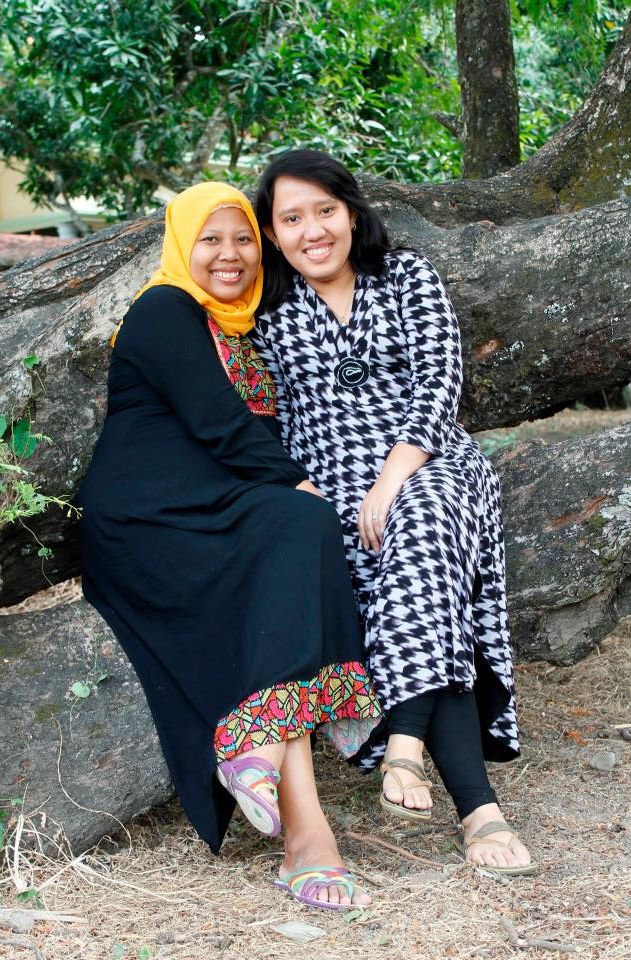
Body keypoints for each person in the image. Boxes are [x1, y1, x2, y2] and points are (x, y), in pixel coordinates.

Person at [78, 181, 382, 910]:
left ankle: (276, 777)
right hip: (148, 524)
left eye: (244, 238)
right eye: (210, 239)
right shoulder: (164, 308)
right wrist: (301, 485)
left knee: (297, 537)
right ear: (182, 244)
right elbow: (218, 422)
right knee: (303, 519)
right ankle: (306, 833)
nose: (229, 254)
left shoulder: (242, 328)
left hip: (218, 512)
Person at [253, 150, 538, 876]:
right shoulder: (268, 314)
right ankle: (478, 811)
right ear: (274, 234)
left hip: (430, 462)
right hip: (332, 492)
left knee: (422, 521)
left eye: (324, 211)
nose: (313, 230)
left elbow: (441, 379)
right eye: (292, 219)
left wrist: (390, 481)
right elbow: (265, 421)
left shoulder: (406, 276)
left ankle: (404, 740)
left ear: (351, 213)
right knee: (423, 589)